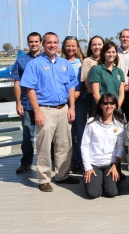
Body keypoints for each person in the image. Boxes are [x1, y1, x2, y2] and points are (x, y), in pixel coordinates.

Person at [20, 32, 80, 192]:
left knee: (64, 145)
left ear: (58, 44)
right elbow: (30, 89)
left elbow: (71, 87)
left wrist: (72, 107)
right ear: (43, 44)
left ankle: (62, 175)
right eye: (49, 42)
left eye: (55, 42)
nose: (52, 45)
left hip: (64, 109)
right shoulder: (35, 64)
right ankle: (44, 179)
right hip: (45, 110)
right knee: (44, 146)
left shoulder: (65, 64)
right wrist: (37, 112)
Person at [81, 93, 125, 199]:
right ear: (100, 105)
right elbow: (84, 146)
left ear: (115, 105)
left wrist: (115, 165)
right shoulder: (91, 122)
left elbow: (120, 147)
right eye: (105, 103)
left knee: (111, 193)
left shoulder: (120, 124)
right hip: (94, 163)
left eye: (111, 103)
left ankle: (116, 176)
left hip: (110, 164)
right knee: (92, 193)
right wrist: (87, 168)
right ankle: (96, 181)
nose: (108, 106)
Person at [11, 32, 42, 174]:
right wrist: (18, 103)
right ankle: (26, 163)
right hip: (27, 103)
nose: (34, 44)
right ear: (28, 43)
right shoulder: (21, 61)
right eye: (31, 42)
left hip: (44, 104)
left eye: (36, 41)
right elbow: (17, 83)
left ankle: (51, 163)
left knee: (48, 136)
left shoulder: (47, 59)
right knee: (27, 136)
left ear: (41, 42)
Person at [61, 35, 88, 174]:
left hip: (80, 101)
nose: (70, 48)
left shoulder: (82, 62)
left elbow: (85, 81)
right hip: (64, 103)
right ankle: (71, 162)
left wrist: (80, 92)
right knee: (68, 135)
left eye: (73, 45)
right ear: (64, 47)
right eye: (68, 45)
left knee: (81, 132)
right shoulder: (59, 62)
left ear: (77, 47)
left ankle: (82, 162)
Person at [90, 41, 125, 108]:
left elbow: (121, 94)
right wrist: (105, 107)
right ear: (103, 54)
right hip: (102, 109)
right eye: (108, 52)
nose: (111, 54)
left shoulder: (119, 71)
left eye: (113, 52)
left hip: (116, 110)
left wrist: (117, 107)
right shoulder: (97, 70)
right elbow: (95, 94)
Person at [80, 35, 104, 116]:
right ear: (90, 47)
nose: (97, 47)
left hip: (109, 97)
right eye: (94, 45)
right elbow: (87, 83)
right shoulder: (87, 61)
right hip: (94, 98)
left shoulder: (109, 60)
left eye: (99, 44)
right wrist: (99, 98)